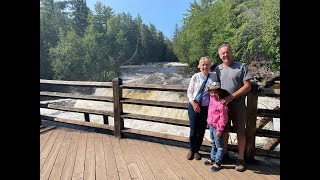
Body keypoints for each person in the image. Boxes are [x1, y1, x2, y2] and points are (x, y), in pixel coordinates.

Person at [215, 43, 252, 172]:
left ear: (232, 52)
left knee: (240, 131)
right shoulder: (218, 69)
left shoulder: (241, 66)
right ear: (220, 56)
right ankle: (225, 154)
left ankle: (241, 158)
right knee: (224, 130)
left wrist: (232, 97)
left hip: (238, 105)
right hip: (223, 106)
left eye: (227, 52)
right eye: (223, 53)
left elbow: (247, 86)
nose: (225, 55)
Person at [186, 56, 219, 160]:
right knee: (193, 129)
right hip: (194, 106)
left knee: (201, 130)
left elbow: (217, 89)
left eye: (207, 64)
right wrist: (193, 103)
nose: (205, 66)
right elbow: (189, 91)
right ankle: (191, 149)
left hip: (206, 108)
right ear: (199, 66)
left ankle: (197, 150)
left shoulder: (213, 77)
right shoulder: (195, 76)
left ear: (210, 66)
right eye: (203, 64)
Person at [203, 81, 228, 172]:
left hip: (218, 127)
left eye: (215, 92)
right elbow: (210, 112)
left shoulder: (222, 104)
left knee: (219, 146)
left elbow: (224, 119)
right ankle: (212, 158)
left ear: (219, 92)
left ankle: (218, 162)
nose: (213, 94)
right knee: (213, 142)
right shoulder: (211, 99)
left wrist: (219, 129)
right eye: (211, 92)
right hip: (211, 125)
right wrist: (208, 121)